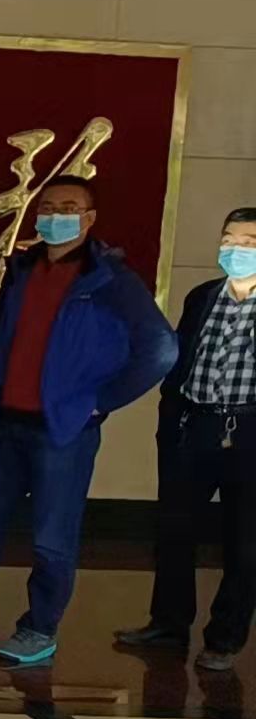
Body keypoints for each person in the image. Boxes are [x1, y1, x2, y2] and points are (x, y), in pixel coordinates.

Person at [0, 176, 175, 664]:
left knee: (52, 537)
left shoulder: (111, 280)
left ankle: (39, 629)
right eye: (48, 208)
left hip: (64, 429)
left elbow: (160, 349)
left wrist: (100, 402)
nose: (56, 217)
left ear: (89, 219)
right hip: (6, 423)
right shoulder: (22, 268)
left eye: (69, 208)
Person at [118, 208, 256, 672]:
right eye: (229, 239)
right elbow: (179, 361)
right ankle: (168, 624)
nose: (235, 250)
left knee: (245, 541)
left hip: (249, 430)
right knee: (174, 530)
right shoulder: (203, 296)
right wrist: (170, 420)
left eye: (249, 242)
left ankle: (225, 638)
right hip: (195, 425)